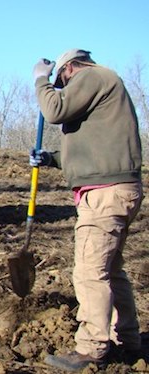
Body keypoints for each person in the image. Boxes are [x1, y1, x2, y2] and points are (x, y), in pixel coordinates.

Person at [31, 49, 143, 371]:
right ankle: (127, 338)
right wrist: (51, 158)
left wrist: (41, 81)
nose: (62, 86)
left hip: (106, 195)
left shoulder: (91, 76)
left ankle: (92, 347)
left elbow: (54, 109)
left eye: (61, 80)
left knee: (89, 272)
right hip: (117, 189)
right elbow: (93, 149)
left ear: (69, 68)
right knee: (112, 269)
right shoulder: (106, 90)